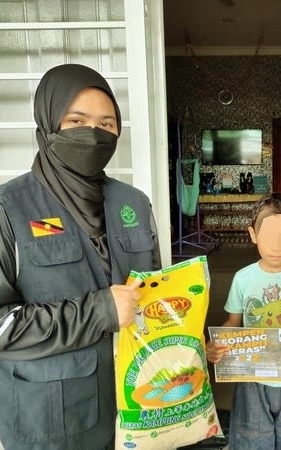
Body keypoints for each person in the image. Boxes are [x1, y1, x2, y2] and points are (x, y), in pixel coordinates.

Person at [0, 64, 160, 449]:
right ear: (49, 123)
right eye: (76, 121)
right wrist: (100, 311)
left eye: (106, 124)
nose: (93, 133)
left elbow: (154, 292)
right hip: (53, 420)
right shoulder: (9, 209)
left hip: (137, 408)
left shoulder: (133, 204)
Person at [206, 192, 281, 450]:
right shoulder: (242, 278)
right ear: (253, 234)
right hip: (252, 377)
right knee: (252, 440)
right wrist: (217, 343)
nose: (277, 246)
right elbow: (233, 321)